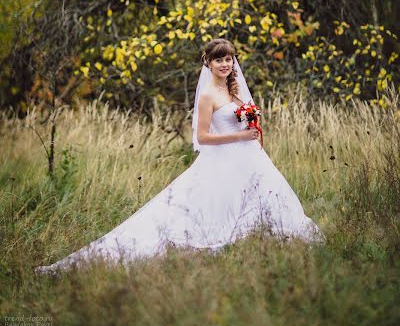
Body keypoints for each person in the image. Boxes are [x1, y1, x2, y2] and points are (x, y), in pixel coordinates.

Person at [35, 38, 324, 275]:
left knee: (268, 197)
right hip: (223, 159)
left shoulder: (236, 90)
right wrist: (240, 136)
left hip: (250, 158)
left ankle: (275, 247)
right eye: (219, 59)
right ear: (208, 62)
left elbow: (247, 124)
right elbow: (202, 138)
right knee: (197, 209)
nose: (225, 64)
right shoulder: (208, 94)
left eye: (229, 59)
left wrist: (250, 125)